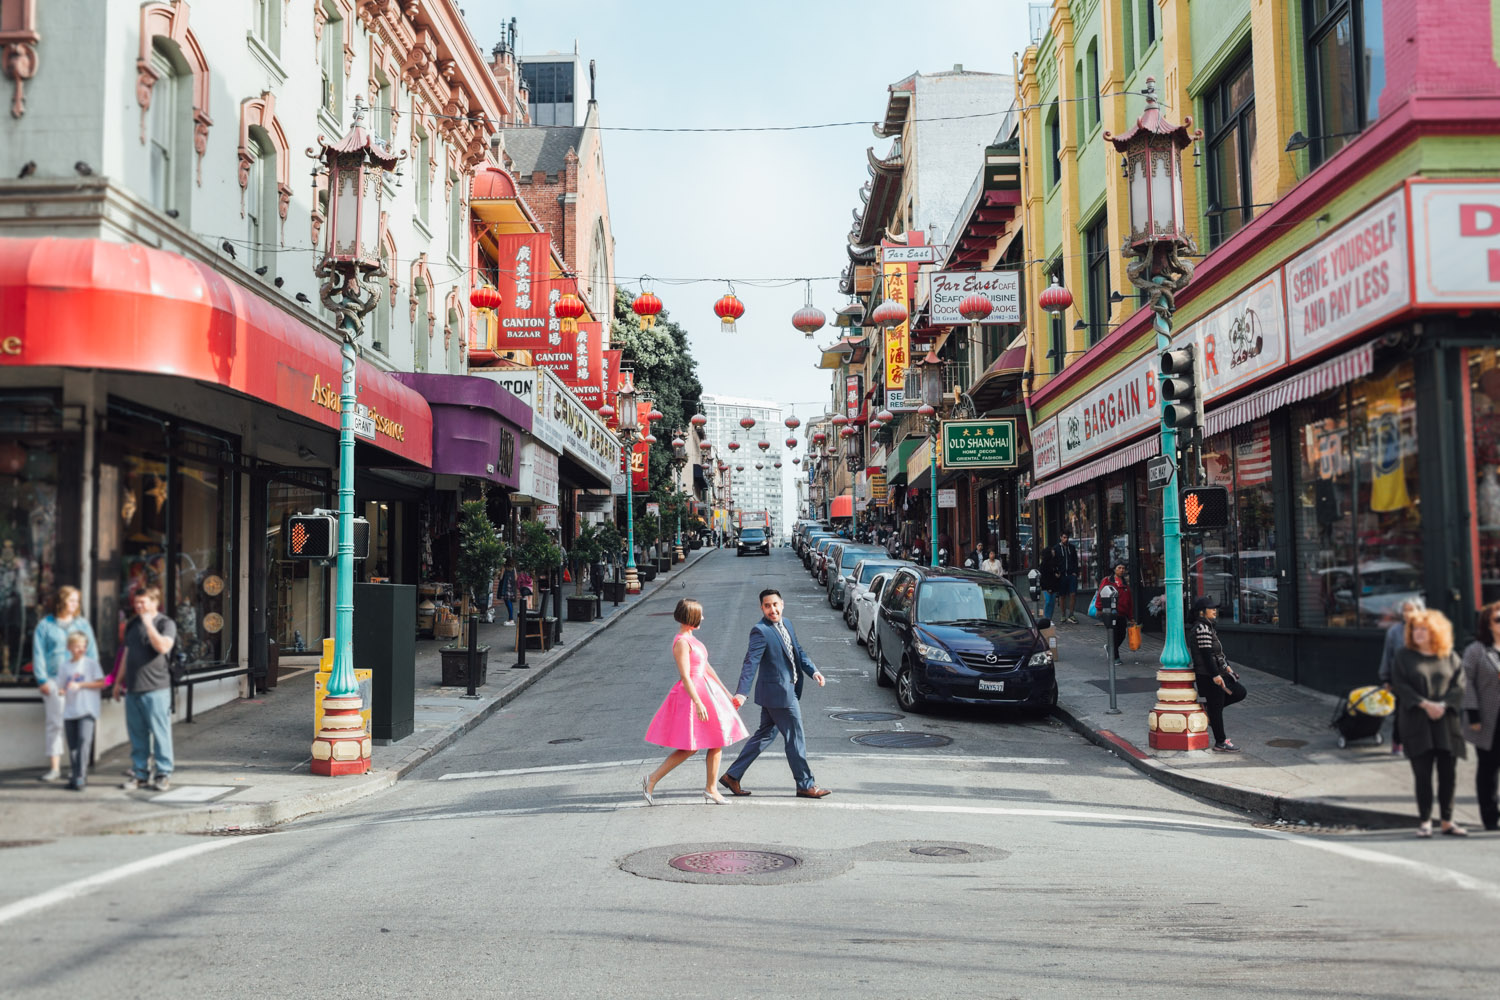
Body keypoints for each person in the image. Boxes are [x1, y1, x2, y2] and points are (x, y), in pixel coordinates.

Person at [719, 588, 830, 799]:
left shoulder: (787, 624)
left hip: (779, 693)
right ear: (762, 608)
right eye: (767, 606)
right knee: (795, 738)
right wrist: (742, 692)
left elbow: (798, 651)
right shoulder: (760, 631)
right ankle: (805, 784)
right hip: (781, 695)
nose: (772, 609)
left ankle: (732, 775)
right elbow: (750, 662)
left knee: (765, 734)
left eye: (775, 604)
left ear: (782, 604)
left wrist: (814, 671)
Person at [641, 599, 748, 805]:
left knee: (717, 741)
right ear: (691, 617)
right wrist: (698, 702)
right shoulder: (682, 642)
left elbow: (707, 667)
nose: (703, 618)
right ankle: (652, 779)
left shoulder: (692, 639)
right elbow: (686, 676)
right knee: (691, 747)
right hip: (693, 694)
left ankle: (711, 789)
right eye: (700, 615)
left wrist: (727, 693)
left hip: (707, 691)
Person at [1391, 608, 1468, 837]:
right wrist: (1425, 705)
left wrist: (1443, 706)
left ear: (1435, 631)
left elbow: (1460, 685)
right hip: (1417, 723)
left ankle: (1447, 821)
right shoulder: (1403, 656)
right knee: (1422, 775)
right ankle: (1425, 821)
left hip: (1446, 723)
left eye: (1424, 629)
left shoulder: (1449, 655)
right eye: (1415, 629)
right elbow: (1400, 686)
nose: (1418, 633)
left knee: (1448, 775)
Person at [31, 586, 100, 782]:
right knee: (55, 723)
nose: (75, 604)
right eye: (71, 600)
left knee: (78, 723)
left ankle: (77, 767)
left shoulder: (83, 625)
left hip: (79, 681)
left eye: (77, 601)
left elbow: (92, 652)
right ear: (61, 601)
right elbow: (39, 654)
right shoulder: (45, 626)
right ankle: (55, 768)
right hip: (54, 680)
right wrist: (42, 679)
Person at [112, 587, 177, 792]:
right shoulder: (132, 625)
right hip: (133, 690)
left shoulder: (165, 623)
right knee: (137, 735)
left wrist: (149, 625)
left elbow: (164, 647)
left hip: (157, 689)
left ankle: (163, 773)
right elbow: (127, 654)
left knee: (160, 734)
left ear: (154, 602)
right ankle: (140, 774)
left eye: (143, 602)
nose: (139, 606)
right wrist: (117, 682)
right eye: (137, 602)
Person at [1461, 599, 1500, 831]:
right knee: (1489, 767)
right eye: (1498, 620)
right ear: (1487, 624)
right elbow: (1465, 683)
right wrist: (1473, 714)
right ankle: (1490, 816)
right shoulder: (1475, 650)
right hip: (1488, 719)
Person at [1191, 596, 1246, 752]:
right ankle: (1220, 742)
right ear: (1202, 612)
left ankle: (1208, 708)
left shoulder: (1208, 627)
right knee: (1217, 709)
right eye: (1211, 608)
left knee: (1239, 692)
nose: (1215, 610)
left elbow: (1217, 654)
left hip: (1216, 673)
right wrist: (1215, 675)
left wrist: (1227, 668)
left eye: (1215, 608)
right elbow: (1206, 655)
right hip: (1209, 676)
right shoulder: (1201, 629)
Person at [59, 630, 107, 791]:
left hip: (87, 710)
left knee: (83, 742)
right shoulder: (64, 666)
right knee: (73, 747)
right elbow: (61, 686)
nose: (81, 649)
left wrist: (81, 685)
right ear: (69, 648)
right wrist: (62, 691)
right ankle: (75, 775)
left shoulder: (91, 664)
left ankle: (80, 776)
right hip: (70, 711)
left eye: (83, 646)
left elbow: (101, 683)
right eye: (77, 646)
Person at [1379, 597, 1424, 754]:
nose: (1408, 613)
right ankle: (1398, 741)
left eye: (1411, 610)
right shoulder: (1394, 631)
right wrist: (1385, 679)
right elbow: (1387, 656)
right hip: (1400, 679)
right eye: (1405, 610)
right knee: (1401, 714)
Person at [1098, 563, 1134, 666]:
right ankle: (1115, 657)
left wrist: (1130, 617)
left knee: (1122, 635)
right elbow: (1101, 594)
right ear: (1114, 569)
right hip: (1109, 612)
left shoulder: (1125, 583)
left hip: (1122, 613)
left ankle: (1110, 648)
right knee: (1113, 635)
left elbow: (1129, 601)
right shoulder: (1107, 580)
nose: (1121, 570)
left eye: (1123, 568)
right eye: (1119, 568)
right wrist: (1099, 608)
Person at [498, 561, 517, 626]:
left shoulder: (504, 568)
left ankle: (511, 619)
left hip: (505, 587)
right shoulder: (513, 568)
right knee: (510, 603)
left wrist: (499, 573)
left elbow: (500, 577)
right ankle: (510, 619)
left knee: (508, 603)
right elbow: (516, 577)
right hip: (511, 587)